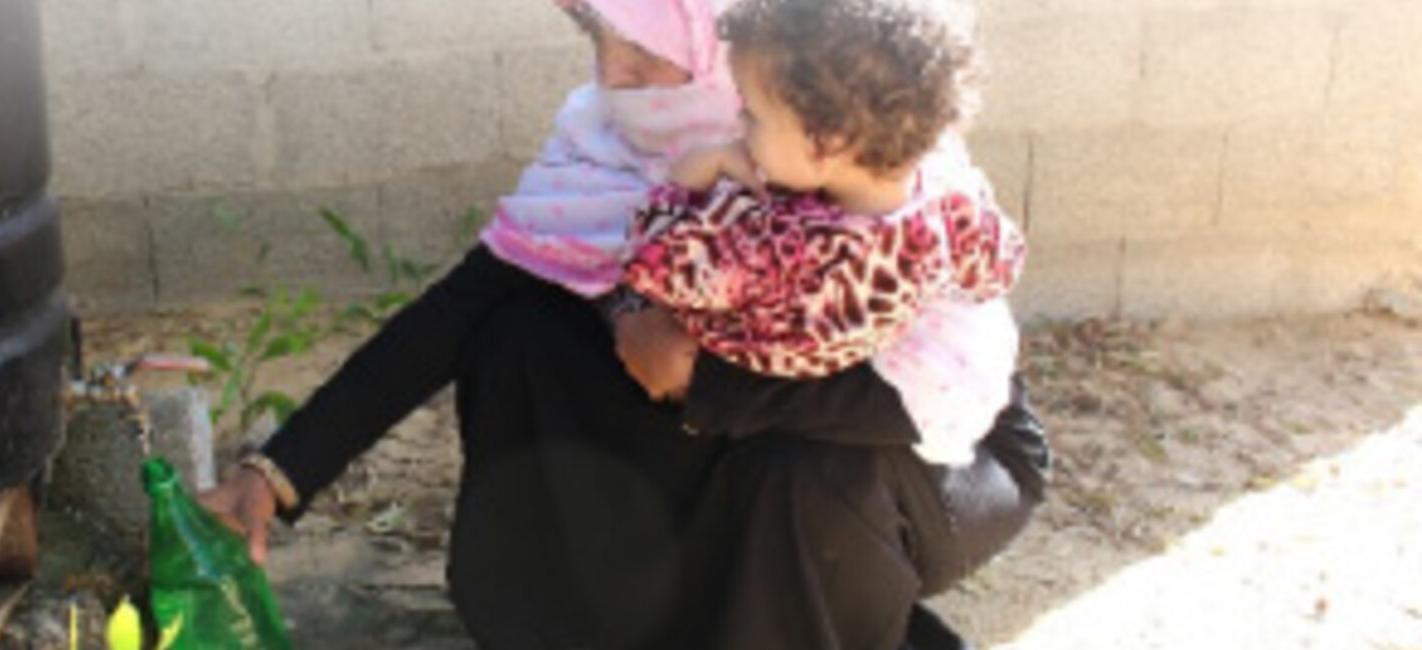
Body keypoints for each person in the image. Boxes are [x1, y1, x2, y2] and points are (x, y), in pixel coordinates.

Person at [201, 0, 1051, 648]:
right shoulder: (612, 150)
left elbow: (915, 399)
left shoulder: (861, 149)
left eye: (647, 55)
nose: (612, 78)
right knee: (518, 337)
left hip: (930, 466)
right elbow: (455, 313)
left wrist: (703, 381)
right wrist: (278, 473)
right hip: (745, 435)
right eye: (599, 42)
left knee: (798, 475)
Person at [618, 0, 1025, 471]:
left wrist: (692, 173)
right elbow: (999, 268)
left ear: (824, 144)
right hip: (917, 397)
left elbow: (650, 265)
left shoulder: (777, 243)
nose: (739, 127)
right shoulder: (949, 200)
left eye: (752, 115)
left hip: (750, 371)